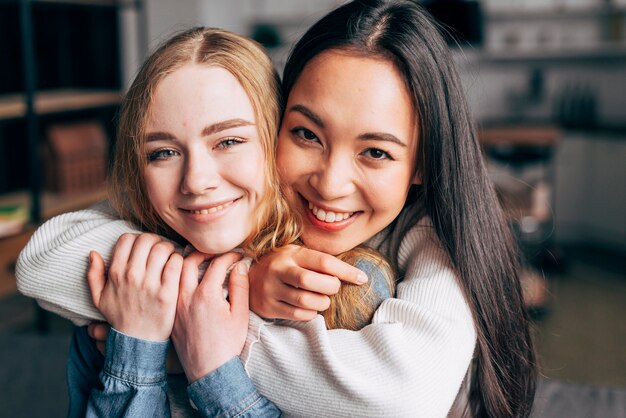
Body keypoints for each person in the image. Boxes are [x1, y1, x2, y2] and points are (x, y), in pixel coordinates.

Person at [17, 1, 537, 416]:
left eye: (376, 152)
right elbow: (44, 260)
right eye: (307, 134)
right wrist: (241, 281)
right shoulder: (214, 210)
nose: (330, 184)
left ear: (422, 163)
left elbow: (402, 397)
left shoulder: (427, 233)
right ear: (276, 126)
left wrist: (209, 339)